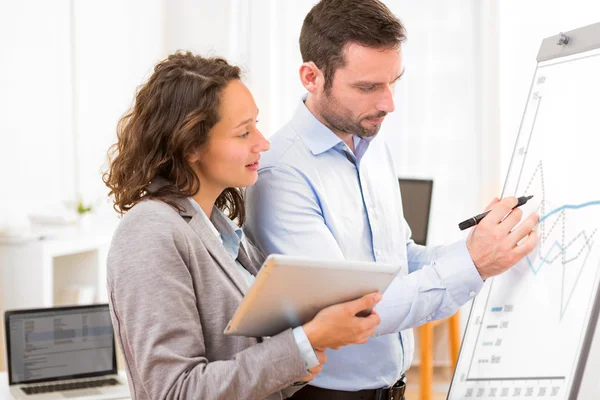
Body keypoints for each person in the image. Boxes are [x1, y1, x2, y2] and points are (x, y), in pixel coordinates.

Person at [243, 1, 540, 399]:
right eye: (368, 87)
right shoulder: (280, 174)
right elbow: (352, 311)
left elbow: (398, 258)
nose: (388, 103)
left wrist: (477, 247)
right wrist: (473, 263)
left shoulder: (371, 143)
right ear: (311, 77)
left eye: (393, 82)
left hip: (394, 389)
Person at [102, 51, 383, 400]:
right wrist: (306, 342)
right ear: (190, 145)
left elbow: (247, 362)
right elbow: (174, 391)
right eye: (243, 132)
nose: (262, 143)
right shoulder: (150, 232)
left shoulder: (220, 231)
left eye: (257, 126)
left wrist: (302, 356)